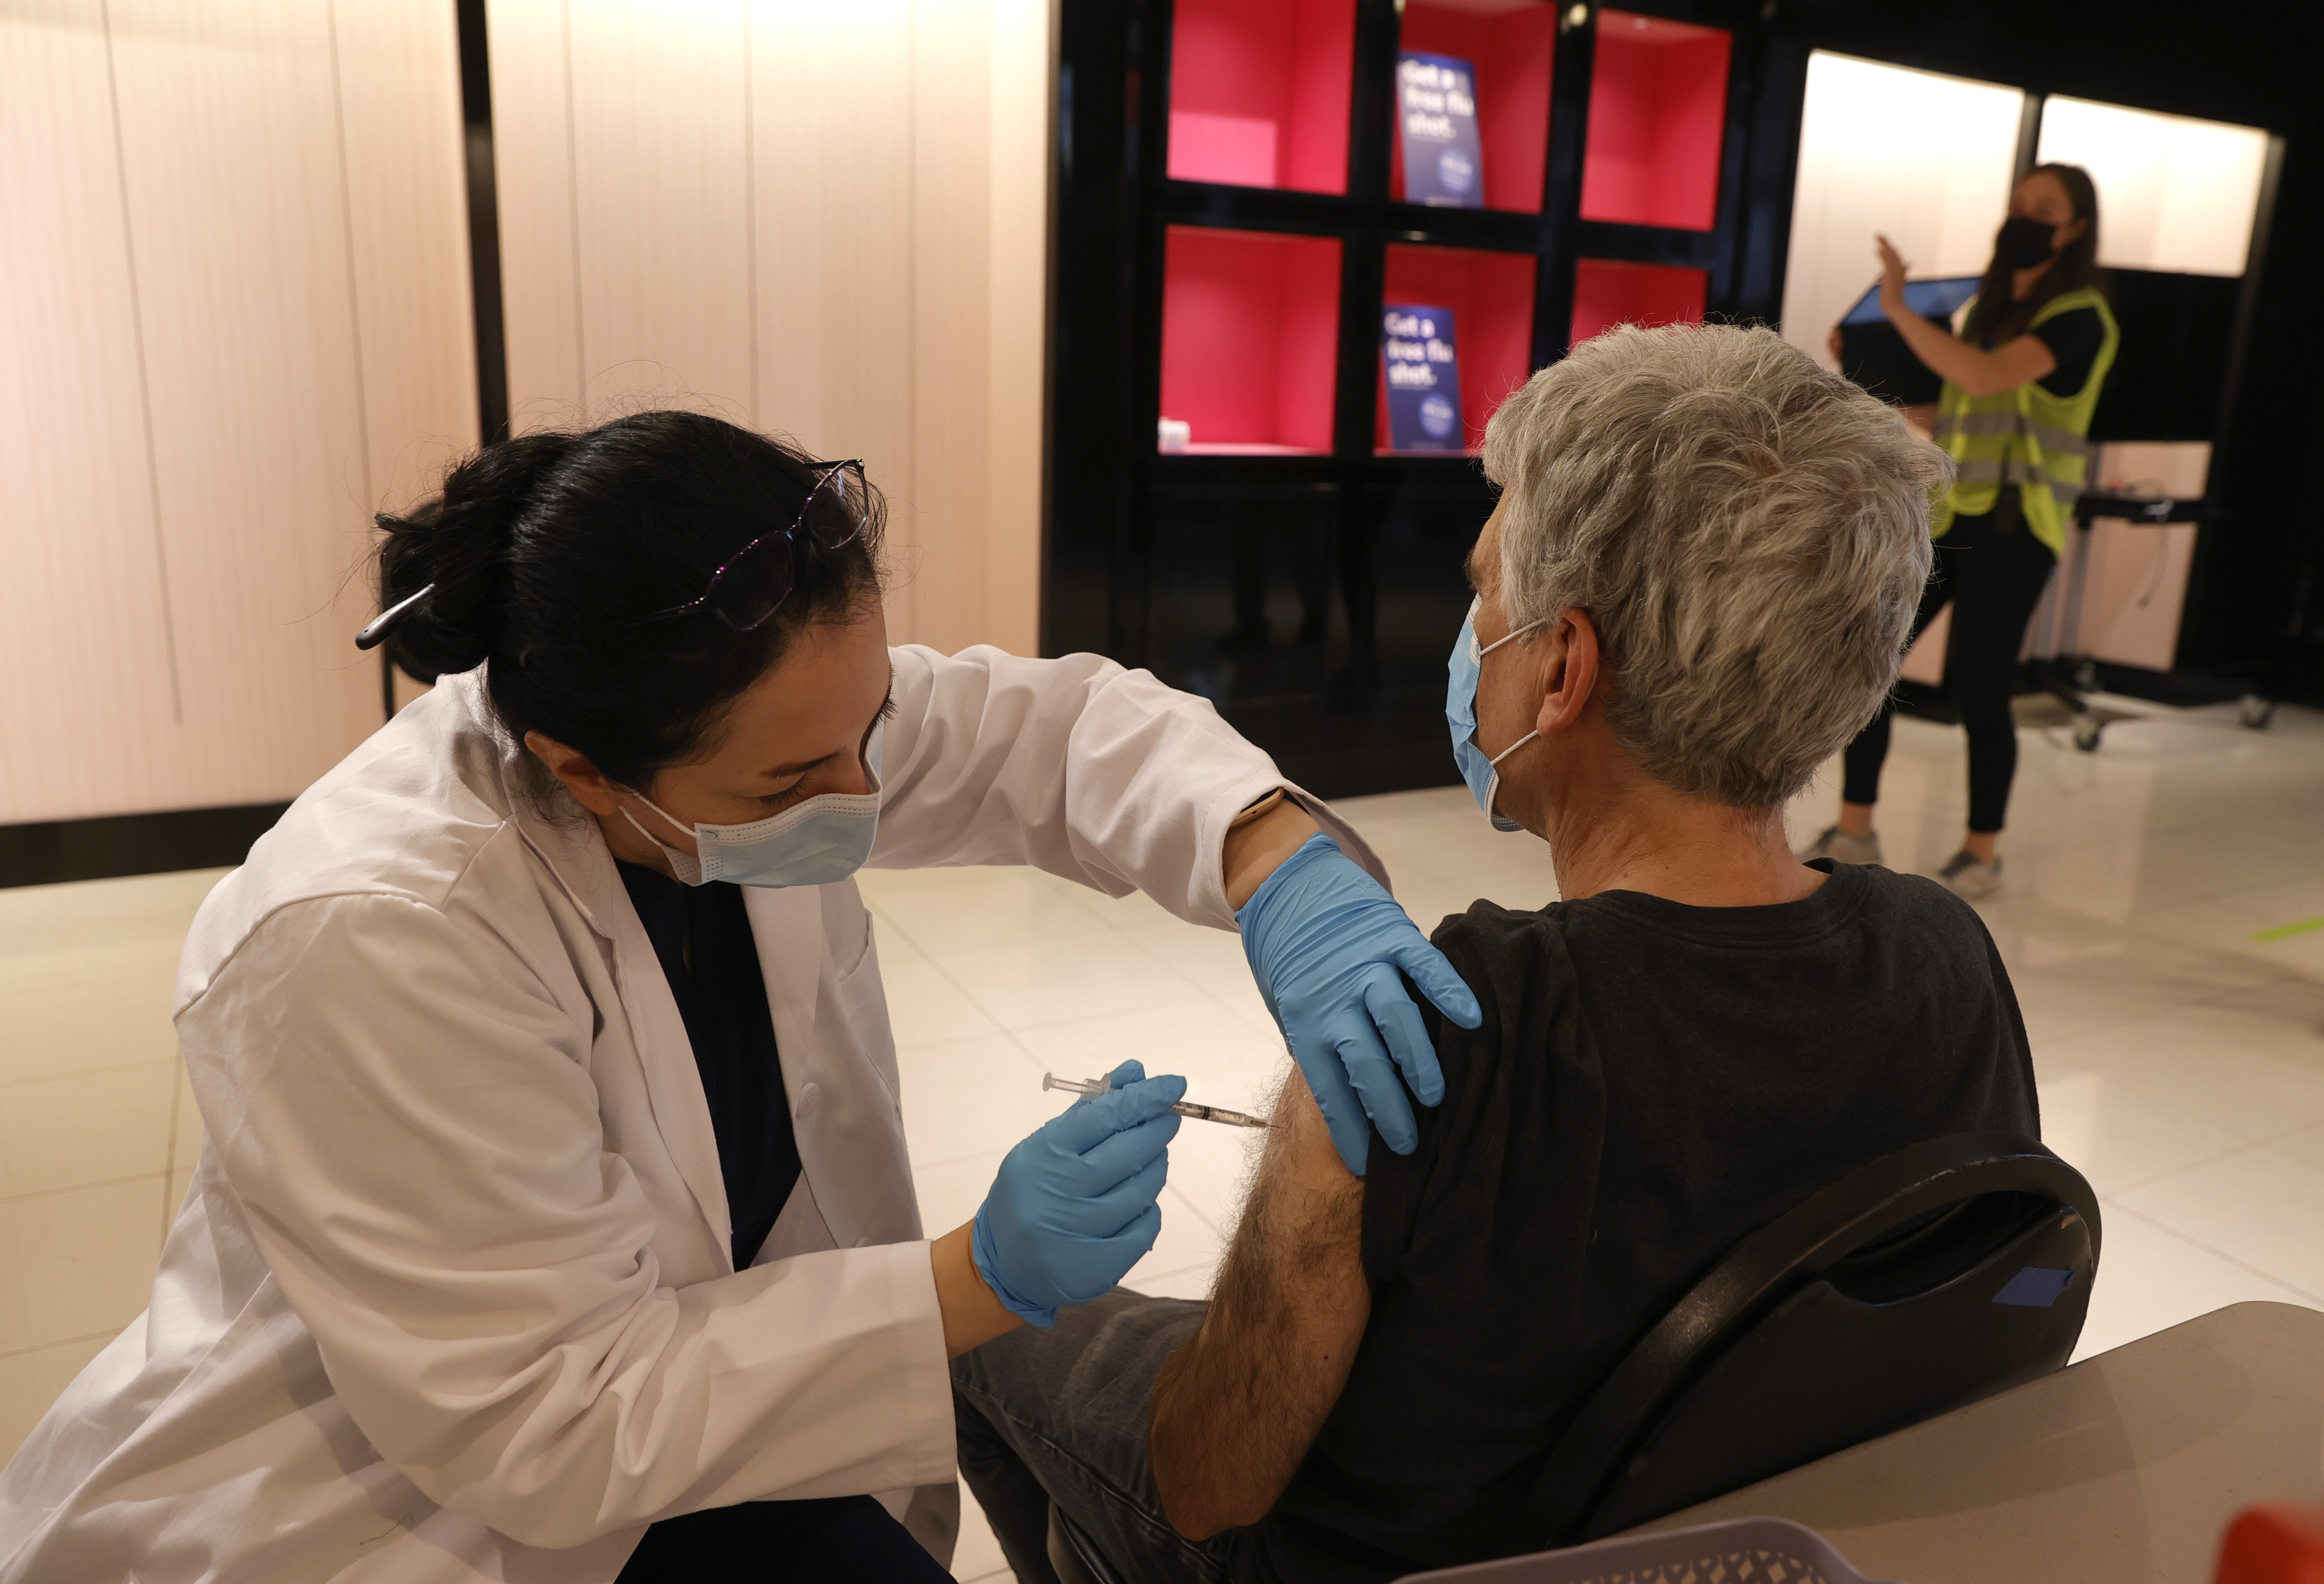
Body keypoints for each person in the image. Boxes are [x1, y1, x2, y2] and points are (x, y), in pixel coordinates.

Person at [0, 413, 1482, 1584]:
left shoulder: (762, 711)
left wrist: (1275, 857)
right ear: (581, 765)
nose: (862, 791)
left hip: (714, 1420)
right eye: (790, 781)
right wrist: (979, 1274)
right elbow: (550, 1424)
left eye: (870, 732)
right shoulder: (368, 935)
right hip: (407, 1512)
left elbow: (1054, 730)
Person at [949, 325, 2043, 1584]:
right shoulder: (1945, 955)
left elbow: (1207, 1480)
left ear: (1564, 665)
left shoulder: (1433, 1022)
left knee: (984, 1338)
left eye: (1483, 596)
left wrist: (1304, 1181)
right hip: (1749, 1542)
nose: (1469, 636)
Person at [1801, 163, 2119, 898]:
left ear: (2074, 227)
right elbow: (1944, 411)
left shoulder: (2079, 316)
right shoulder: (1985, 311)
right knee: (1868, 667)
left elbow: (1983, 380)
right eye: (2017, 204)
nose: (2024, 217)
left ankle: (1981, 851)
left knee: (1980, 688)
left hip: (2020, 527)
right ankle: (1855, 828)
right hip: (1952, 516)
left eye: (2044, 208)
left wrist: (1896, 307)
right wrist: (1870, 359)